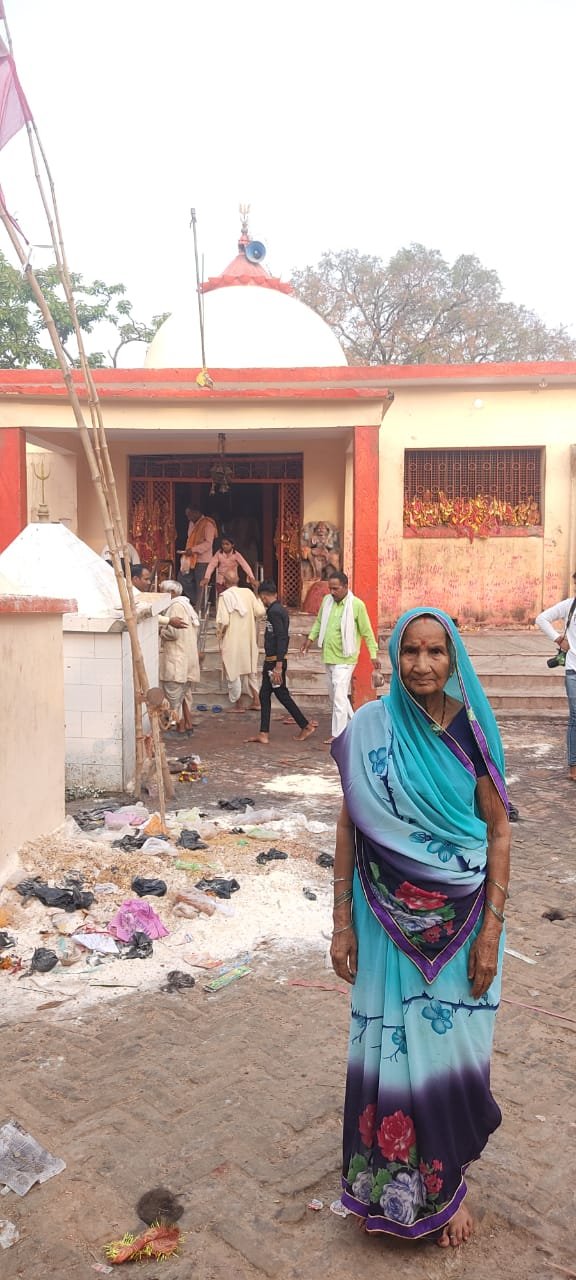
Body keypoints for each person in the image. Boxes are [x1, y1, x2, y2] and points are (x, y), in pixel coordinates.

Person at [330, 607, 510, 1246]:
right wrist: (341, 920)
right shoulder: (371, 728)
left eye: (436, 652)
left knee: (449, 1054)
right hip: (383, 920)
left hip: (463, 925)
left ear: (452, 656)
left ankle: (449, 1176)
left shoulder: (475, 733)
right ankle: (394, 1185)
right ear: (393, 656)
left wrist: (490, 932)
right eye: (411, 651)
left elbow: (498, 830)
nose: (423, 665)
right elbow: (350, 827)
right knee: (390, 1051)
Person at [301, 570, 381, 743]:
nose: (332, 592)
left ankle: (338, 735)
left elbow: (367, 631)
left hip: (346, 658)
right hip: (329, 655)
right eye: (330, 588)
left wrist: (373, 655)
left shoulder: (356, 605)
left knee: (338, 696)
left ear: (346, 587)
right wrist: (310, 639)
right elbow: (320, 622)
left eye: (336, 589)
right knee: (336, 695)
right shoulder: (327, 602)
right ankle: (355, 724)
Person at [246, 581, 316, 745]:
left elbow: (282, 637)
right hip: (272, 662)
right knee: (265, 695)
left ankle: (305, 725)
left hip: (274, 663)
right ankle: (264, 733)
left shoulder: (275, 612)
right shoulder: (276, 610)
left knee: (281, 695)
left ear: (263, 596)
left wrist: (278, 665)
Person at [536, 576, 576, 780]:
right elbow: (541, 618)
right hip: (573, 670)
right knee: (575, 718)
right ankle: (574, 766)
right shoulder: (570, 606)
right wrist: (559, 639)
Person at [216, 571, 266, 711]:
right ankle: (256, 701)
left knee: (233, 669)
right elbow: (260, 612)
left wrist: (220, 635)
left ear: (225, 583)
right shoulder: (248, 593)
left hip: (232, 639)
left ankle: (238, 704)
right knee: (251, 670)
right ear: (238, 580)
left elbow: (224, 621)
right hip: (248, 638)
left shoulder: (224, 597)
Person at [158, 580, 200, 732]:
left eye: (162, 591)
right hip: (186, 660)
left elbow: (173, 633)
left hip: (176, 660)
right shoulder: (186, 606)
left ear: (171, 593)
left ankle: (180, 727)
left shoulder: (175, 606)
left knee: (173, 700)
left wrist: (160, 631)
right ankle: (185, 724)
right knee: (182, 696)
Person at [184, 507, 218, 601]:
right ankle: (196, 601)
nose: (188, 518)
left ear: (197, 512)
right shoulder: (191, 523)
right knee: (183, 578)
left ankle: (200, 607)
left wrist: (193, 549)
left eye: (190, 515)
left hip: (203, 560)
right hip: (190, 559)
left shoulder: (208, 524)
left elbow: (208, 543)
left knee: (201, 584)